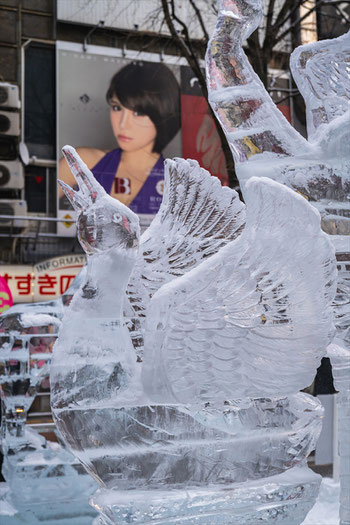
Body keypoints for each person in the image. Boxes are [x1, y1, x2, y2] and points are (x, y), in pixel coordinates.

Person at [59, 61, 181, 224]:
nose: (123, 124)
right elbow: (39, 209)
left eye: (138, 112)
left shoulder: (177, 182)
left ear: (162, 114)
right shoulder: (82, 162)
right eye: (117, 108)